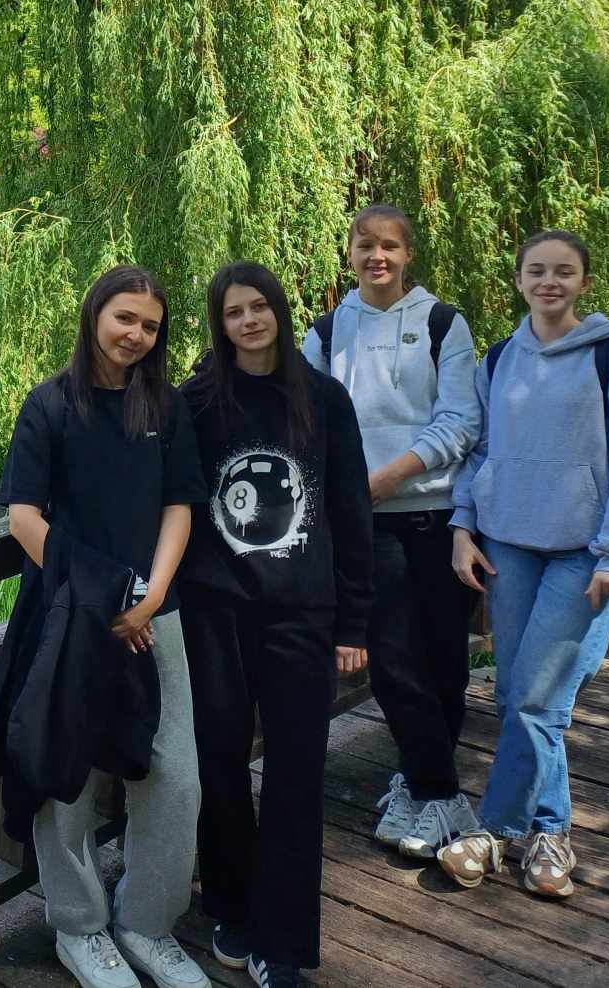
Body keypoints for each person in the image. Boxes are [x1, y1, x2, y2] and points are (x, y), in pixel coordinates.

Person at [0, 265, 209, 988]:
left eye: (151, 326)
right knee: (63, 773)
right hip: (70, 615)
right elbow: (24, 518)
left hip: (155, 615)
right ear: (95, 313)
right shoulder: (50, 405)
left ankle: (147, 924)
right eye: (124, 318)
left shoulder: (165, 406)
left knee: (175, 778)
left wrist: (151, 593)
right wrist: (104, 596)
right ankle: (79, 927)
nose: (136, 335)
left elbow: (179, 505)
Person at [436, 230, 609, 898]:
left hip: (584, 553)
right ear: (518, 280)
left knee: (538, 696)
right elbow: (479, 452)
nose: (549, 281)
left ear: (584, 283)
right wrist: (462, 526)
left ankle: (493, 831)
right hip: (509, 544)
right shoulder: (499, 358)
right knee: (517, 693)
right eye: (536, 270)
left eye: (564, 271)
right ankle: (550, 835)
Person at [180, 262, 372, 988]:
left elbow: (352, 512)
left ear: (279, 312)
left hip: (301, 615)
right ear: (220, 323)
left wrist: (353, 622)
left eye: (259, 307)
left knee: (296, 772)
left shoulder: (323, 400)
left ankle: (282, 941)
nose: (249, 321)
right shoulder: (197, 403)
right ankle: (231, 904)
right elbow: (169, 499)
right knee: (221, 761)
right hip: (217, 612)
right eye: (234, 312)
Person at [301, 205, 483, 860]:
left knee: (444, 662)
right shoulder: (327, 332)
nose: (377, 256)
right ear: (349, 252)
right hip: (365, 525)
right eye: (365, 245)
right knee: (394, 661)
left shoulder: (442, 324)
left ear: (408, 255)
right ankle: (443, 796)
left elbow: (461, 421)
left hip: (436, 515)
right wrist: (353, 490)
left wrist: (388, 476)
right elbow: (305, 418)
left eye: (389, 246)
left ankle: (416, 781)